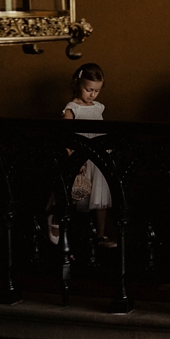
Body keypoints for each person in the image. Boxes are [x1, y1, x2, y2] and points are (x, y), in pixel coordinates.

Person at [58, 63, 115, 247]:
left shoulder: (98, 107)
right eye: (89, 89)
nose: (92, 94)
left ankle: (101, 234)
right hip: (81, 159)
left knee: (100, 198)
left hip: (97, 157)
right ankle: (75, 237)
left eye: (96, 91)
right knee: (79, 195)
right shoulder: (72, 109)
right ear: (78, 84)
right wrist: (72, 156)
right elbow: (65, 136)